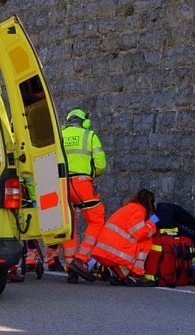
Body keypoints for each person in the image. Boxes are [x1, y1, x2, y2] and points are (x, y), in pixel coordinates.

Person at [60, 109, 107, 283]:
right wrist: (93, 173)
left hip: (62, 184)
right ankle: (81, 259)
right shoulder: (90, 135)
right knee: (96, 221)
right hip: (82, 184)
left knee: (68, 224)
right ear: (84, 122)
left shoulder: (60, 135)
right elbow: (101, 164)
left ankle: (70, 264)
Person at [91, 189, 159, 286]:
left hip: (104, 253)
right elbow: (140, 233)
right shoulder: (138, 210)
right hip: (115, 255)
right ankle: (136, 275)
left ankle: (118, 273)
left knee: (137, 240)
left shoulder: (128, 208)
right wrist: (151, 224)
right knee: (146, 239)